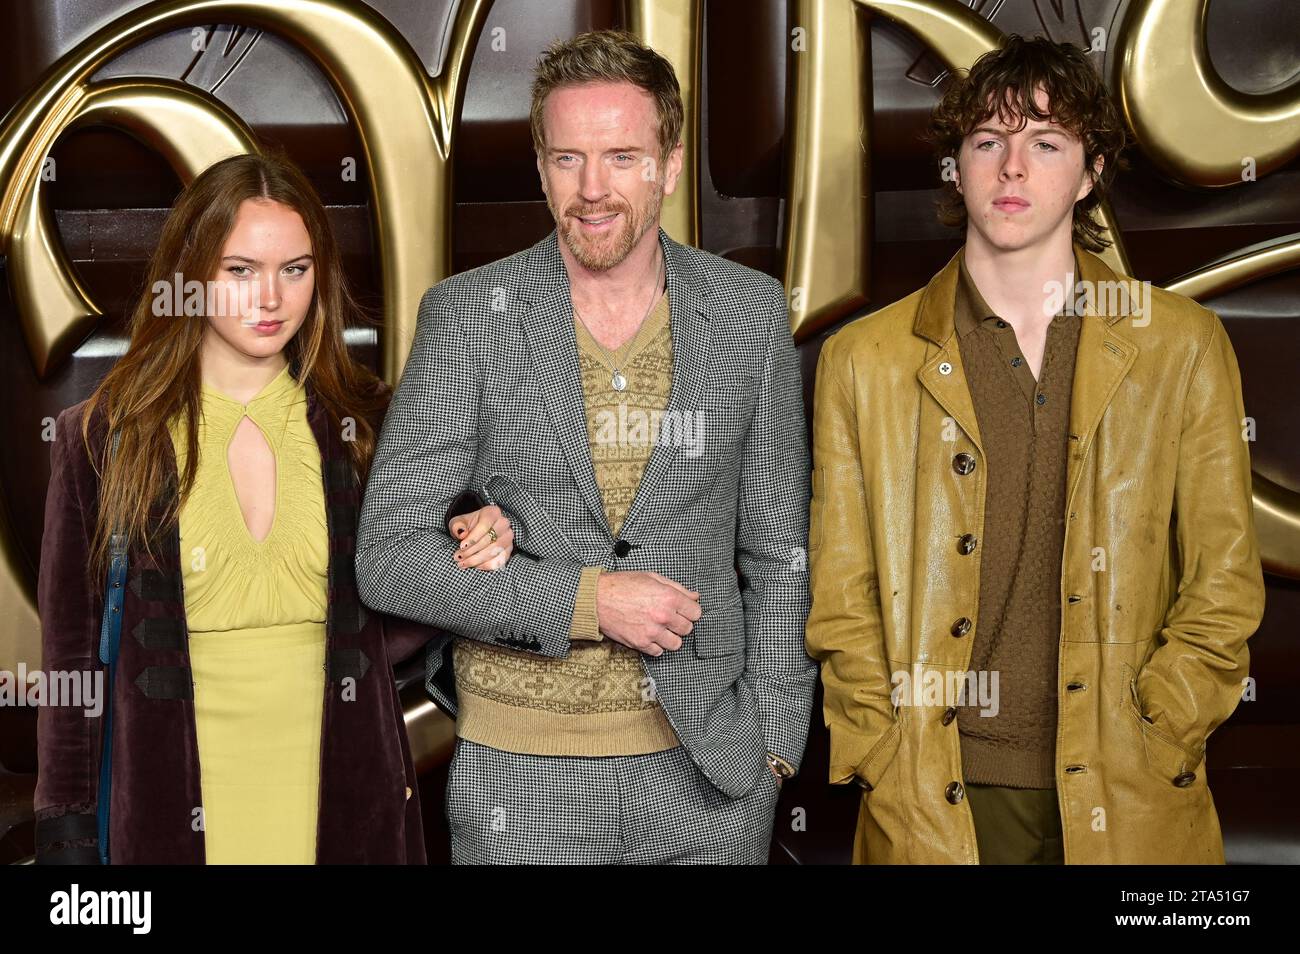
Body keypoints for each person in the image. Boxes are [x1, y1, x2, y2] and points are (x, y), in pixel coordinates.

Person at [357, 30, 816, 864]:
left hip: (708, 780)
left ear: (670, 166)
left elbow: (778, 551)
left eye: (622, 157)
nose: (592, 189)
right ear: (539, 167)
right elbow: (387, 556)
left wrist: (775, 748)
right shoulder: (467, 316)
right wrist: (585, 600)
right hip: (519, 785)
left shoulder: (749, 316)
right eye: (567, 159)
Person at [805, 35, 1264, 864]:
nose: (1012, 168)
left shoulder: (1179, 345)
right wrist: (878, 745)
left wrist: (1165, 724)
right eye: (988, 141)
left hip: (1130, 786)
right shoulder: (864, 360)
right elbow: (843, 594)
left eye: (1045, 142)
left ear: (1090, 173)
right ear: (956, 166)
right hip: (935, 791)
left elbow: (1223, 581)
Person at [34, 151, 511, 864]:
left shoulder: (369, 426)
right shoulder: (104, 437)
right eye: (240, 270)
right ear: (190, 274)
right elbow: (71, 660)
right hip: (170, 801)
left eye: (295, 268)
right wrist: (67, 833)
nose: (271, 298)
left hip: (345, 792)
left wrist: (482, 536)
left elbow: (408, 598)